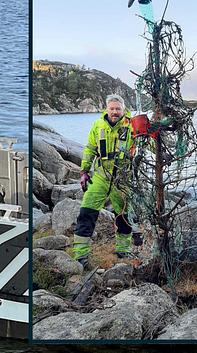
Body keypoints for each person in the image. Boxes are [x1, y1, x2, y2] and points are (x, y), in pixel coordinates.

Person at [73, 94, 135, 269]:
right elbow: (90, 148)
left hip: (122, 180)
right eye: (112, 109)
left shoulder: (132, 127)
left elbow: (148, 143)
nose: (114, 112)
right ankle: (80, 256)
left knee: (123, 216)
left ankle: (123, 251)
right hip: (100, 177)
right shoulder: (98, 125)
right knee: (86, 212)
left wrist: (163, 151)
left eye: (118, 109)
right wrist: (84, 170)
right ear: (106, 109)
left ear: (123, 109)